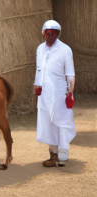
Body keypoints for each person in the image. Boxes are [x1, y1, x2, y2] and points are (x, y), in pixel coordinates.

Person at [34, 20, 76, 167]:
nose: (49, 35)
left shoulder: (65, 50)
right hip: (44, 94)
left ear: (57, 34)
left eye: (53, 33)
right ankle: (53, 155)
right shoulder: (40, 49)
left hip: (60, 94)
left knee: (62, 122)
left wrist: (70, 92)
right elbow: (39, 69)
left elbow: (70, 74)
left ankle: (63, 156)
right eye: (47, 32)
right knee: (48, 122)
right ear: (43, 33)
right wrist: (37, 84)